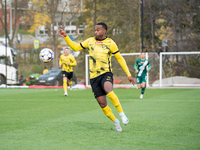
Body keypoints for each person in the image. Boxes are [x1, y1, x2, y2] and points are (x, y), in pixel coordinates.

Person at [59, 22, 135, 131]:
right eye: (95, 30)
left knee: (108, 89)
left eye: (98, 30)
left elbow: (120, 58)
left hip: (106, 73)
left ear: (104, 31)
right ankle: (115, 121)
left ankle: (122, 114)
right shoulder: (90, 41)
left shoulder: (110, 43)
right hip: (93, 77)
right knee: (103, 104)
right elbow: (75, 47)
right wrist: (66, 37)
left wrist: (129, 75)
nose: (95, 32)